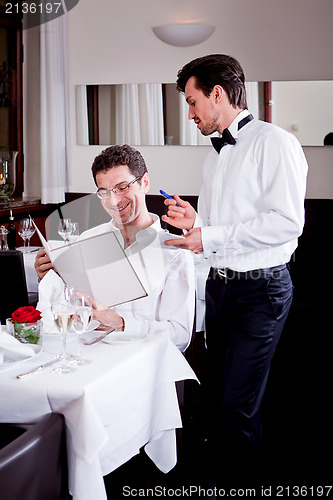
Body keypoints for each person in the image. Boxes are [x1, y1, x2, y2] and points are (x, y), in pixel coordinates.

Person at [162, 54, 308, 482]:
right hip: (222, 292)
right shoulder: (215, 156)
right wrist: (197, 224)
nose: (189, 113)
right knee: (220, 401)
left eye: (192, 102)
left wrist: (209, 236)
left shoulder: (274, 142)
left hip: (261, 293)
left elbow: (287, 223)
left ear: (218, 94)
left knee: (236, 408)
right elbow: (224, 230)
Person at [35, 145, 195, 352]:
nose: (114, 201)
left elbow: (180, 336)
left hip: (142, 366)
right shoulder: (87, 239)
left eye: (123, 187)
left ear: (144, 182)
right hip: (88, 359)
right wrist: (48, 277)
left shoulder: (176, 253)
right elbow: (68, 308)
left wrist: (122, 324)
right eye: (104, 192)